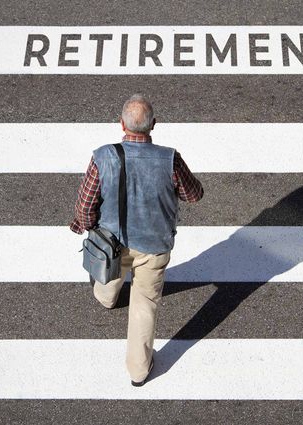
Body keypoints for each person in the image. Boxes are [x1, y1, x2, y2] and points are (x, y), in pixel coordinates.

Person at [70, 94, 203, 386]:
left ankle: (106, 297)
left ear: (121, 124)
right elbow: (194, 195)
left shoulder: (103, 156)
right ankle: (139, 370)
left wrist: (86, 225)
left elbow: (85, 204)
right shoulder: (170, 159)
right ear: (153, 125)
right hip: (154, 244)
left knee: (108, 274)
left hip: (112, 240)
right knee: (144, 305)